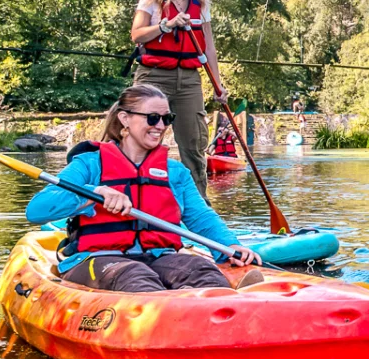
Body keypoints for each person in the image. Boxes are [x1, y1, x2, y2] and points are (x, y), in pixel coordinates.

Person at [25, 83, 262, 292]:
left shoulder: (175, 172)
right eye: (152, 118)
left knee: (203, 272)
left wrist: (229, 245)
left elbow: (201, 217)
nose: (160, 126)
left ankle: (203, 312)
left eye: (167, 119)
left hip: (159, 257)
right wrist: (93, 193)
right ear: (124, 118)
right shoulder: (89, 164)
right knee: (135, 276)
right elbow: (37, 210)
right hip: (99, 259)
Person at [129, 0, 228, 192]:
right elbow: (137, 34)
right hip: (153, 76)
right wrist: (166, 26)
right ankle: (135, 196)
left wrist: (218, 85)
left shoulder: (201, 2)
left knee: (194, 144)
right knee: (142, 137)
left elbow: (209, 48)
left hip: (189, 80)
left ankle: (198, 204)